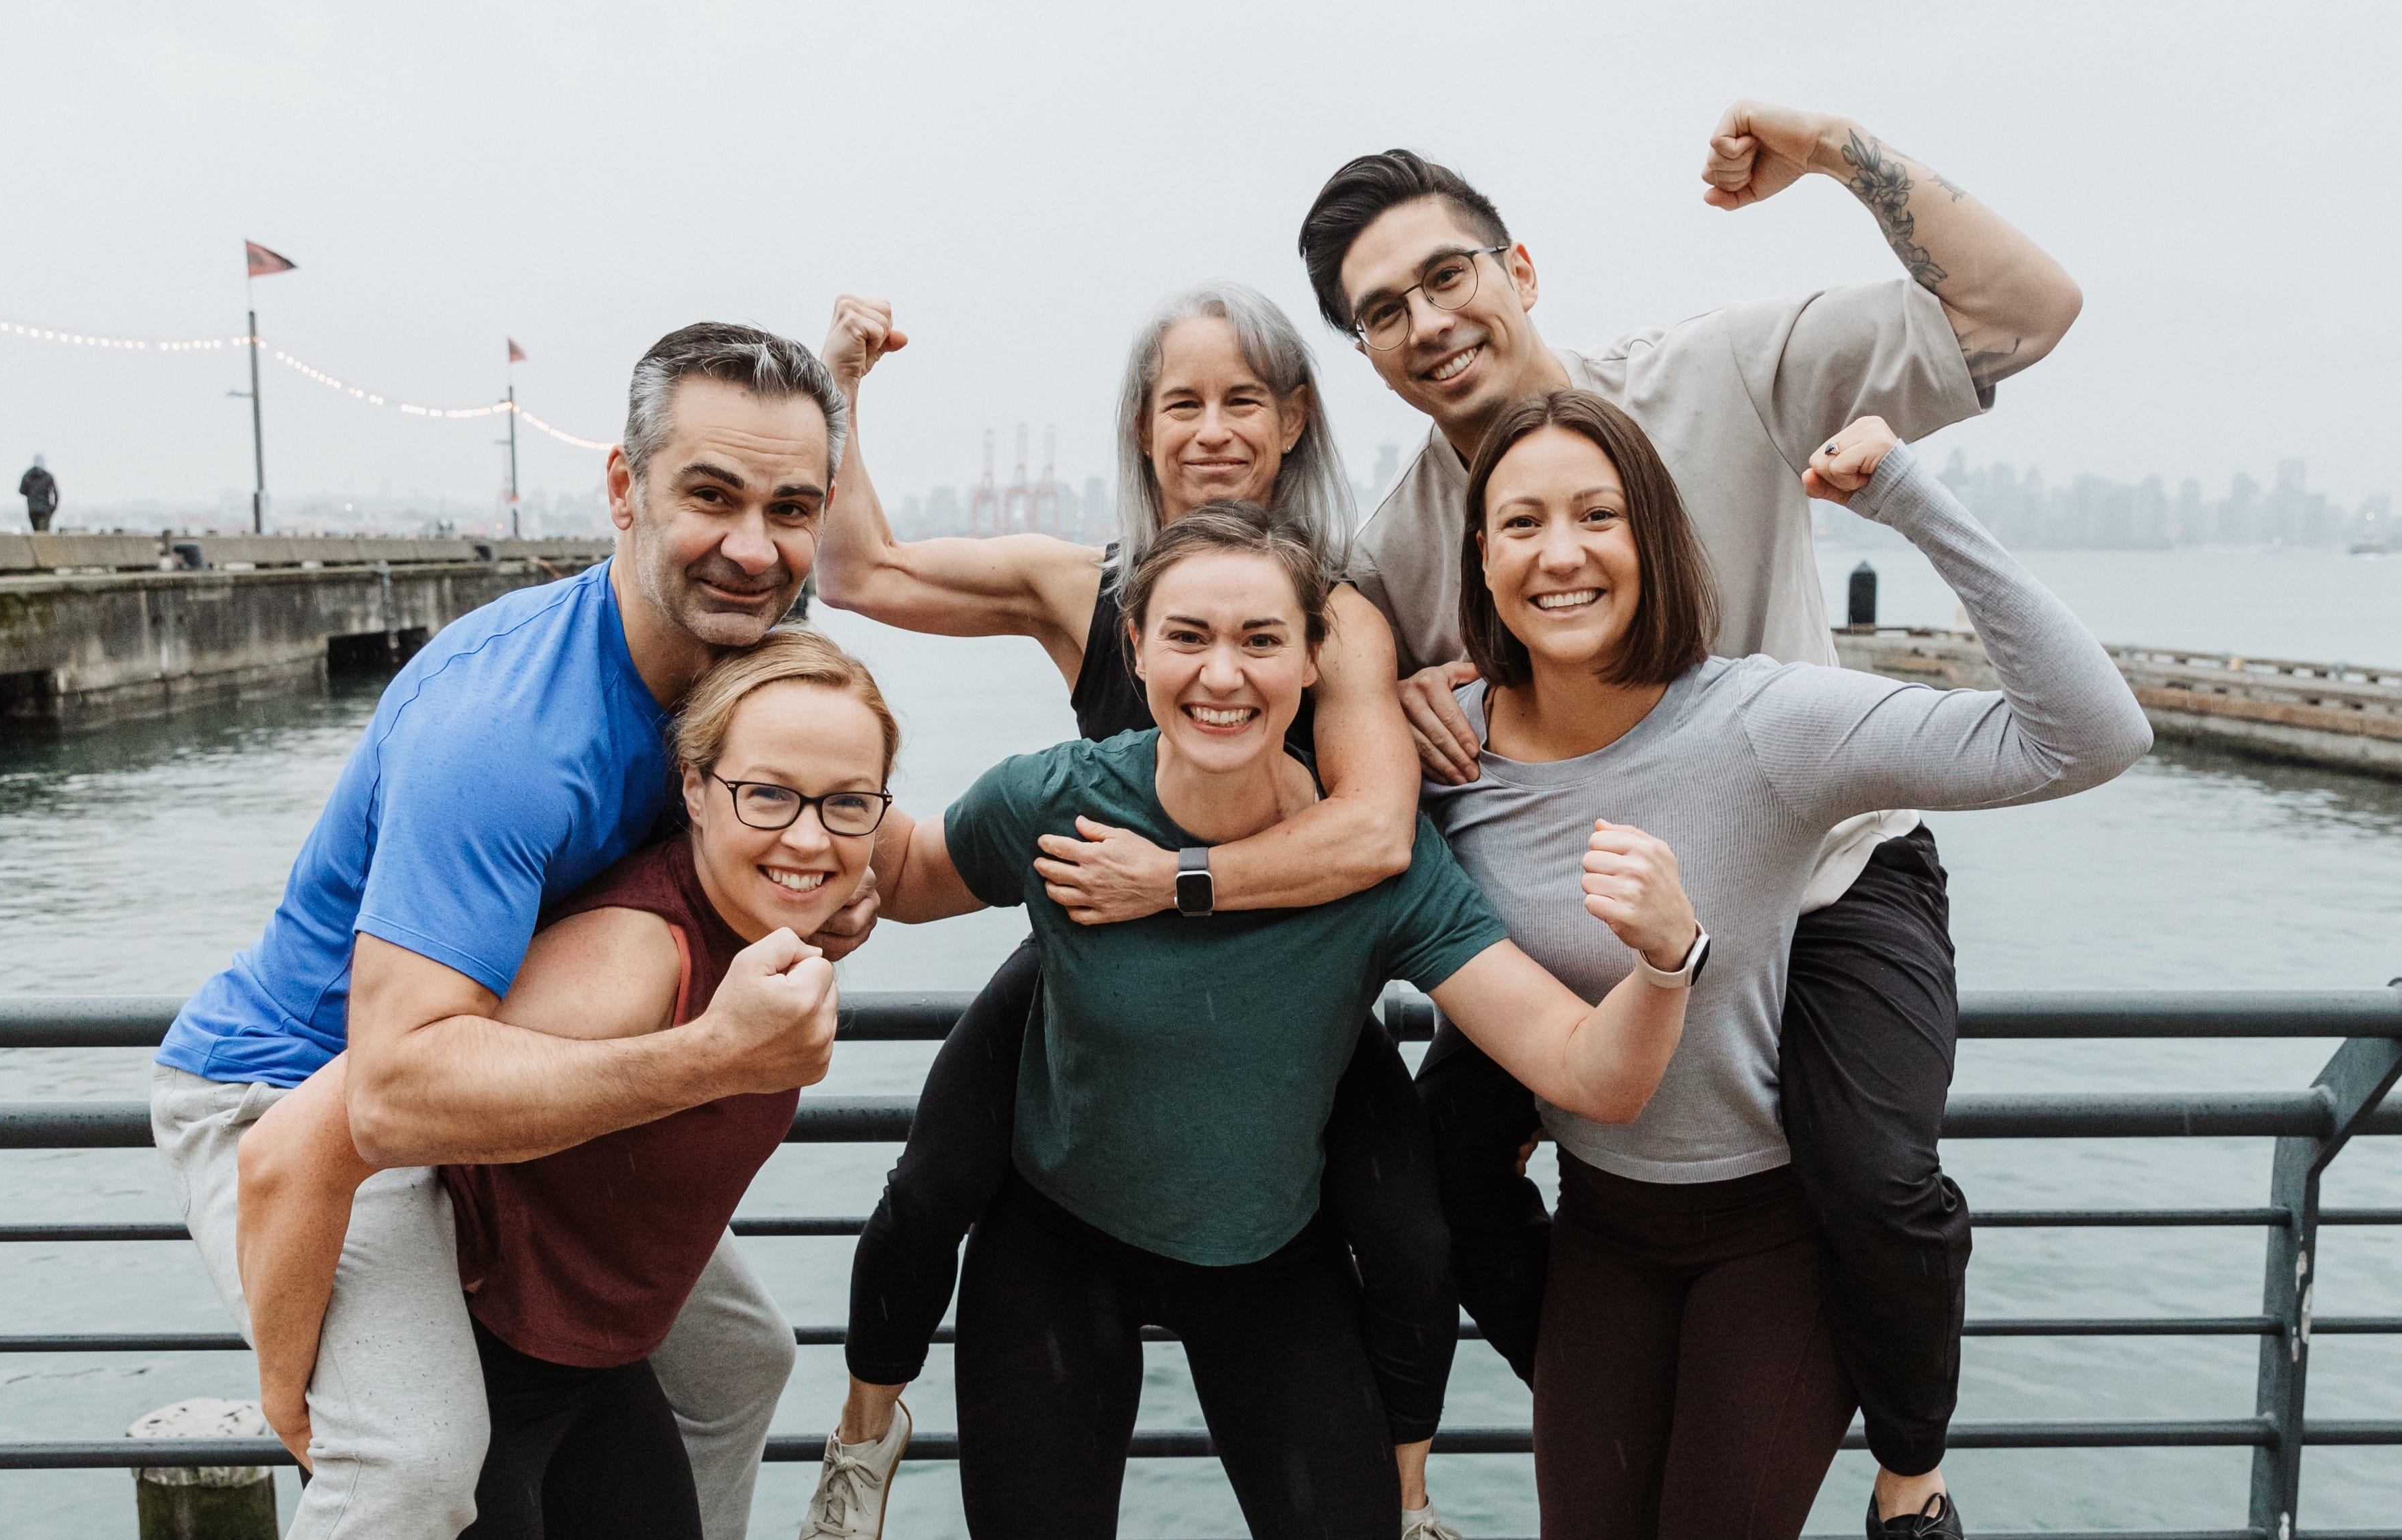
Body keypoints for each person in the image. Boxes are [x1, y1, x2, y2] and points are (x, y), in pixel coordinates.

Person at [1292, 103, 2085, 1535]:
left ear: (1520, 268)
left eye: (1448, 273)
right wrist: (1400, 706)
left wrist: (1840, 154)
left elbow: (2027, 312)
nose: (1428, 321)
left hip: (1831, 873)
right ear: (1365, 352)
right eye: (1383, 311)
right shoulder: (1397, 548)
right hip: (1605, 907)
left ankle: (1911, 1480)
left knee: (1874, 1173)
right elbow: (1320, 734)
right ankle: (1647, 1392)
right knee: (1432, 1173)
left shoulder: (1726, 369)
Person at [149, 323, 879, 1540]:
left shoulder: (741, 684)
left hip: (493, 1075)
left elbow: (878, 839)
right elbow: (381, 1104)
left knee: (737, 1360)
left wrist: (1165, 861)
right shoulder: (502, 737)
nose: (754, 548)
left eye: (790, 507)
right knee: (415, 1461)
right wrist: (720, 1056)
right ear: (620, 489)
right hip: (301, 1093)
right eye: (710, 495)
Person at [864, 499, 1706, 1540]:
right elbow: (899, 877)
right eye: (1188, 637)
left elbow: (1593, 1076)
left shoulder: (1380, 869)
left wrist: (1669, 962)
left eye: (1262, 640)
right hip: (1054, 1253)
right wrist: (775, 776)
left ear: (1316, 659)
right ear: (1134, 646)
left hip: (1266, 1265)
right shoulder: (1055, 803)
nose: (1224, 675)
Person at [804, 287, 1471, 1539]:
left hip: (1281, 977)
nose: (1211, 429)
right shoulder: (1081, 587)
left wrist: (1175, 882)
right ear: (1142, 427)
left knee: (1408, 1234)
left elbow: (1377, 832)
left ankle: (1408, 1494)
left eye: (1240, 401)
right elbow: (856, 571)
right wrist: (843, 389)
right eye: (1182, 403)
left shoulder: (1336, 612)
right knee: (936, 1179)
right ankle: (860, 1433)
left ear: (1291, 421)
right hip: (1096, 962)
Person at [1426, 392, 2147, 1539]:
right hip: (1596, 1230)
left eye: (1595, 515)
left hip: (1773, 1239)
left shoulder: (1760, 723)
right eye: (1520, 523)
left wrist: (1908, 499)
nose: (1558, 553)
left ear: (1650, 538)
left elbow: (2088, 734)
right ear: (1480, 554)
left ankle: (1913, 1471)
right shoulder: (1441, 753)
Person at [233, 630, 898, 1540]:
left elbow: (942, 858)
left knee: (747, 1364)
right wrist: (288, 1391)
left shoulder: (769, 920)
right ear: (695, 791)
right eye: (770, 795)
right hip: (485, 1377)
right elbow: (291, 1149)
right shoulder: (633, 959)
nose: (810, 836)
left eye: (847, 804)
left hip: (590, 1371)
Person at [19, 454, 57, 532]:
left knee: (37, 533)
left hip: (33, 509)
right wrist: (52, 508)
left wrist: (32, 495)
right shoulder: (48, 476)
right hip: (45, 509)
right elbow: (55, 495)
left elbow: (22, 490)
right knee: (43, 535)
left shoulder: (28, 475)